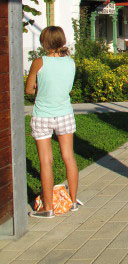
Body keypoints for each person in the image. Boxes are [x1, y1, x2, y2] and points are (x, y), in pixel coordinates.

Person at [25, 26, 81, 218]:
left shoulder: (39, 62)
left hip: (42, 115)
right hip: (64, 113)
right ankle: (73, 201)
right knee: (69, 157)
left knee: (45, 161)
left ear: (44, 42)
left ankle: (48, 208)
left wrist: (39, 85)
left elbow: (29, 90)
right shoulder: (71, 63)